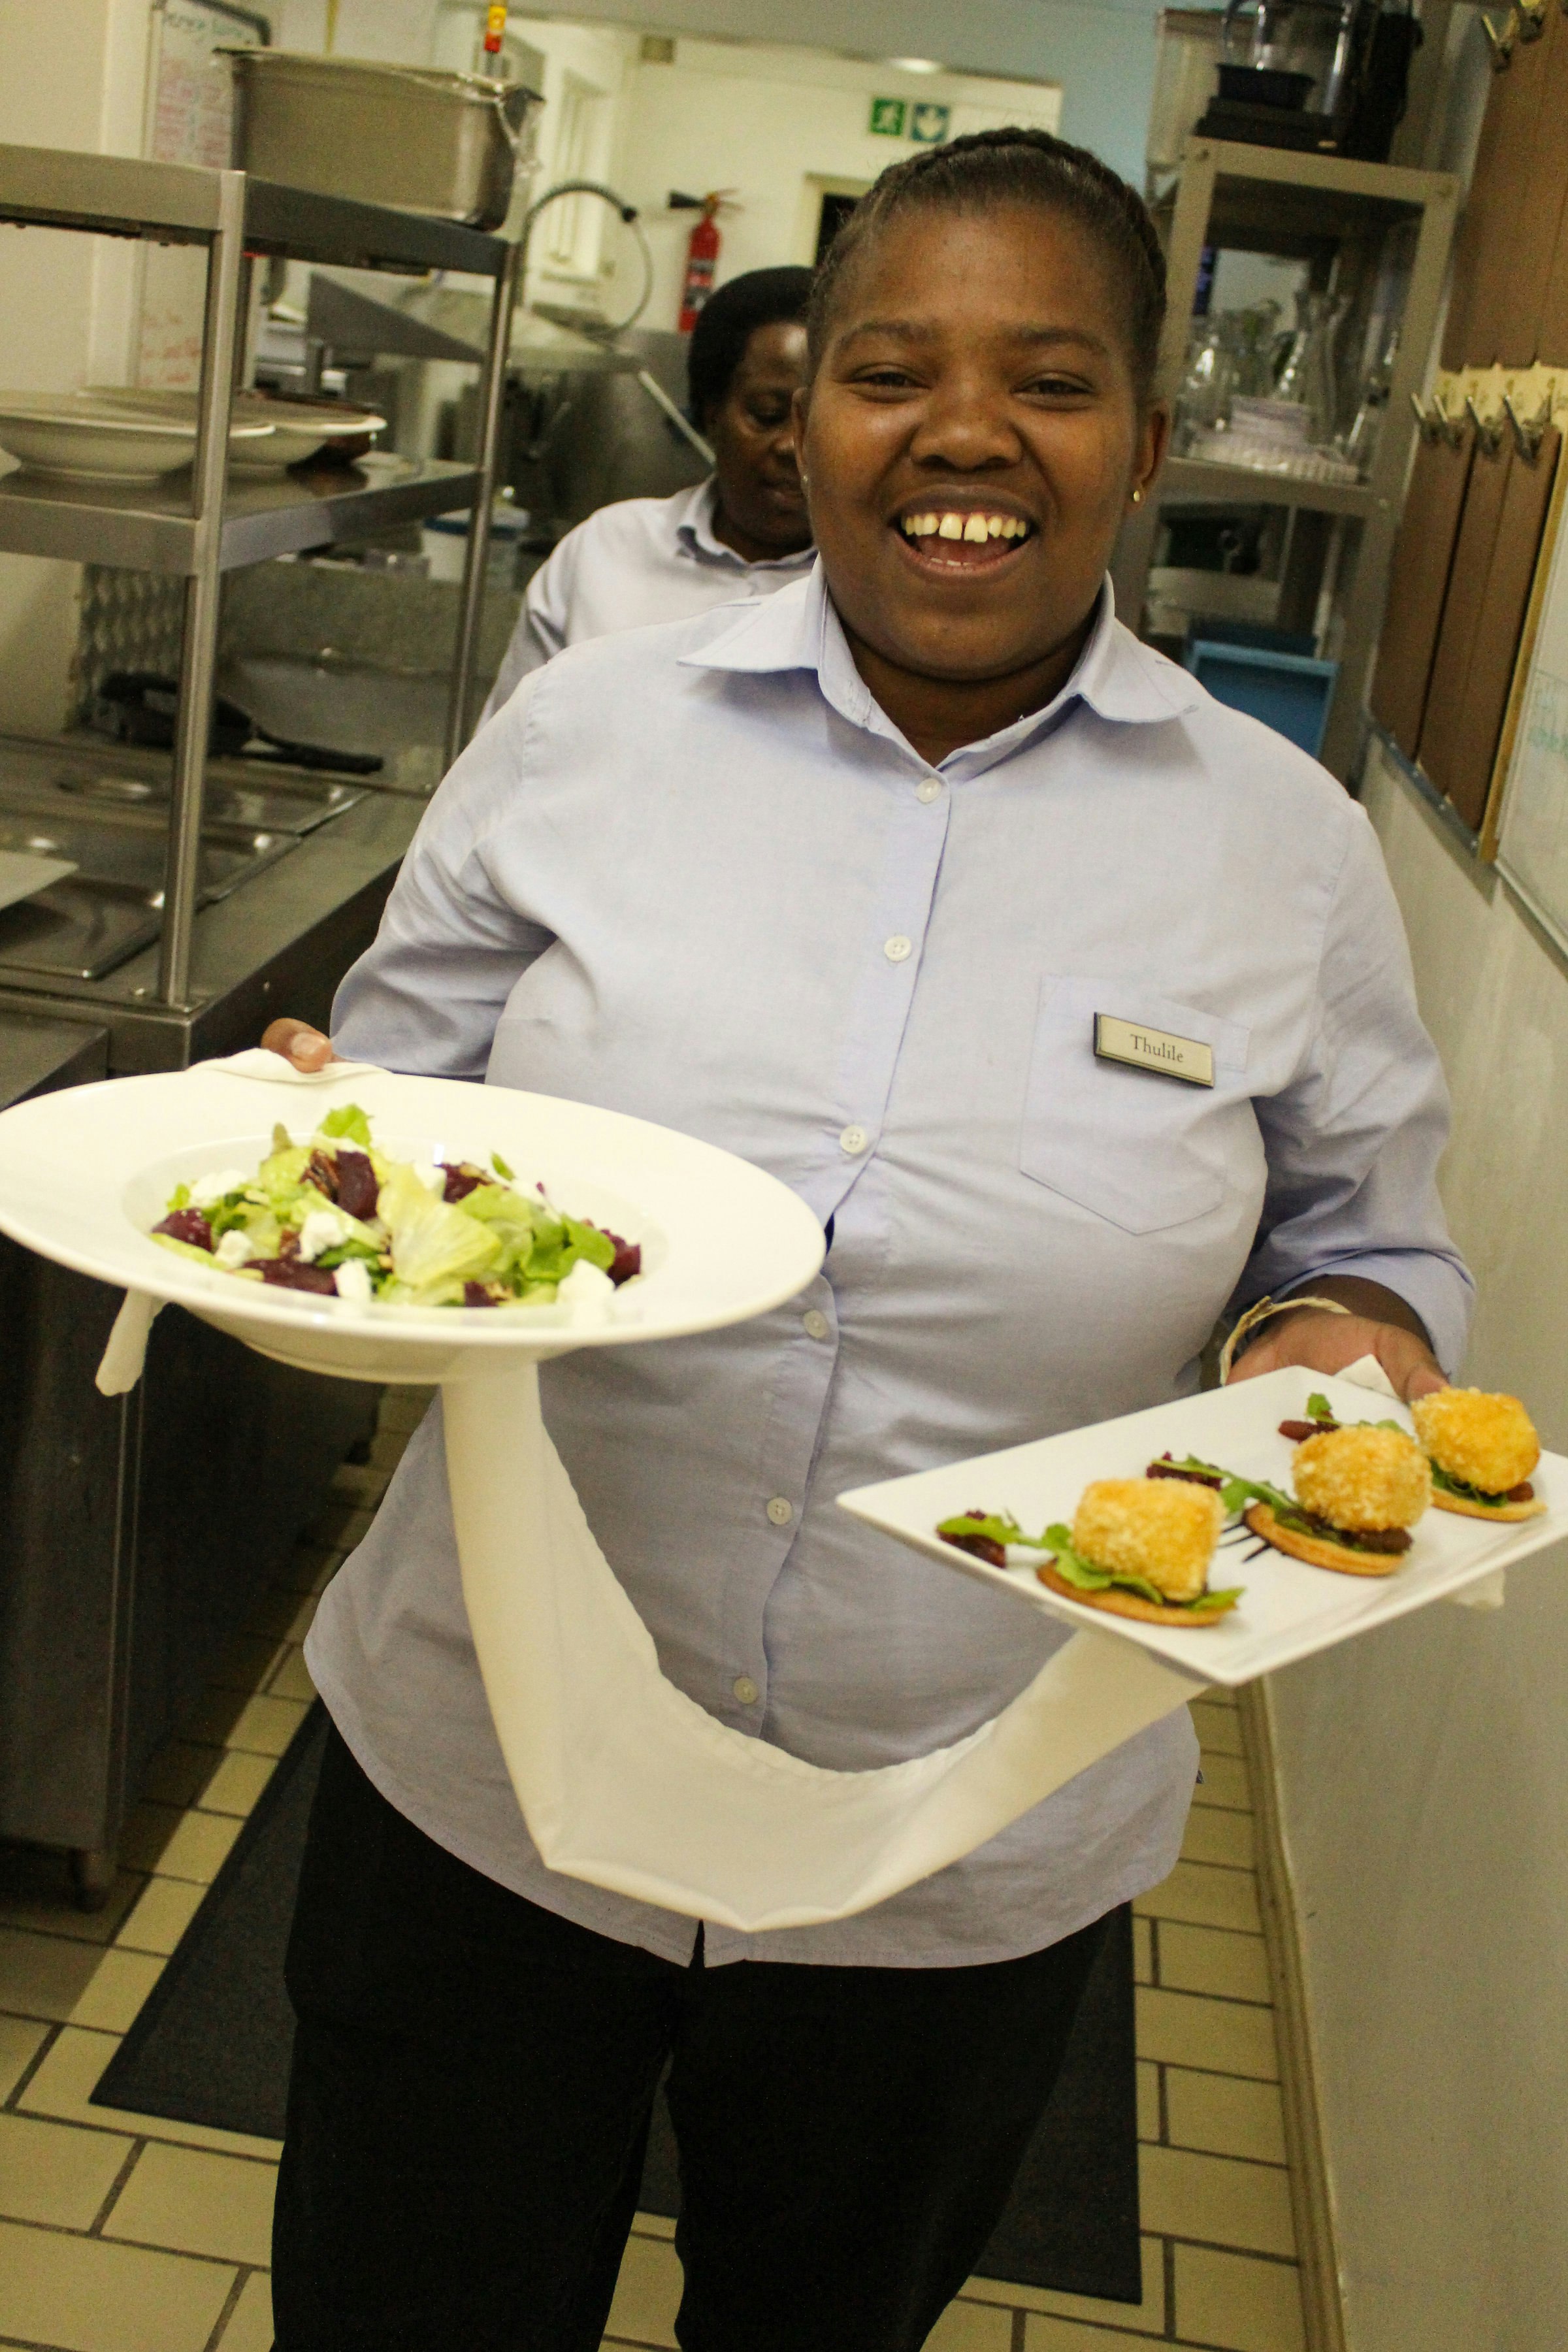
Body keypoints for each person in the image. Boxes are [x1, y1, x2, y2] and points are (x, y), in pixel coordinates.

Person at [265, 129, 1470, 2352]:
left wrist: (1341, 1339)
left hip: (960, 1837)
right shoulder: (586, 739)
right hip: (490, 1769)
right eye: (893, 371)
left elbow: (1367, 1235)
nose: (965, 436)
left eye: (1052, 381)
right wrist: (306, 1159)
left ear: (1147, 444)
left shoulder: (1282, 849)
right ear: (804, 416)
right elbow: (390, 1120)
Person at [479, 265, 815, 723]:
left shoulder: (866, 589)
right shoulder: (605, 550)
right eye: (766, 414)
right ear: (712, 413)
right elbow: (511, 742)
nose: (791, 446)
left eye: (814, 423)